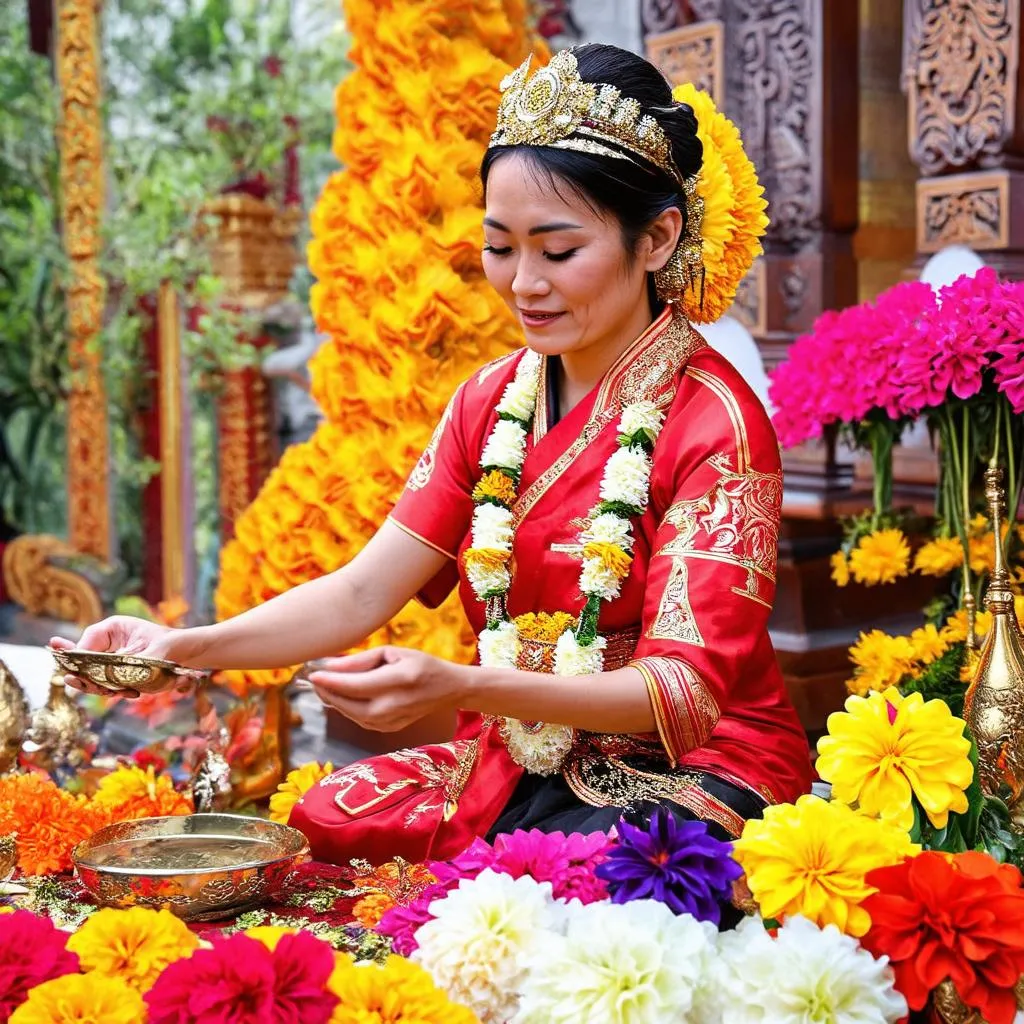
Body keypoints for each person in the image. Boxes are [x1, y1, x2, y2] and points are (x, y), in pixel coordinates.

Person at [57, 44, 812, 867]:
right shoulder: (488, 402)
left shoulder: (718, 423)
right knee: (324, 818)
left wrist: (464, 689)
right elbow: (359, 592)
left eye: (557, 252)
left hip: (691, 764)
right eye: (500, 247)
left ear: (659, 238)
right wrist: (184, 650)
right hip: (521, 753)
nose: (524, 283)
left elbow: (680, 693)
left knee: (604, 876)